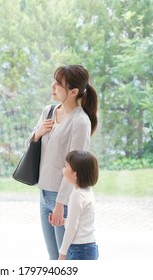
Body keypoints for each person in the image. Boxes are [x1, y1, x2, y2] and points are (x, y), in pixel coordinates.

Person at [27, 65, 98, 260]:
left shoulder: (80, 122)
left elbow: (75, 168)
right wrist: (38, 133)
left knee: (63, 257)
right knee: (53, 257)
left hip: (62, 198)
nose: (53, 86)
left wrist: (60, 203)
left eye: (59, 84)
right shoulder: (48, 112)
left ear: (74, 91)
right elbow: (30, 143)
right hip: (43, 193)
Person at [58, 150, 99, 260]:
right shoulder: (87, 192)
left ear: (75, 174)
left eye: (66, 166)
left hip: (80, 249)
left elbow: (72, 228)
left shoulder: (76, 196)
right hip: (88, 246)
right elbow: (81, 221)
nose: (63, 169)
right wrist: (65, 221)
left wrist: (62, 253)